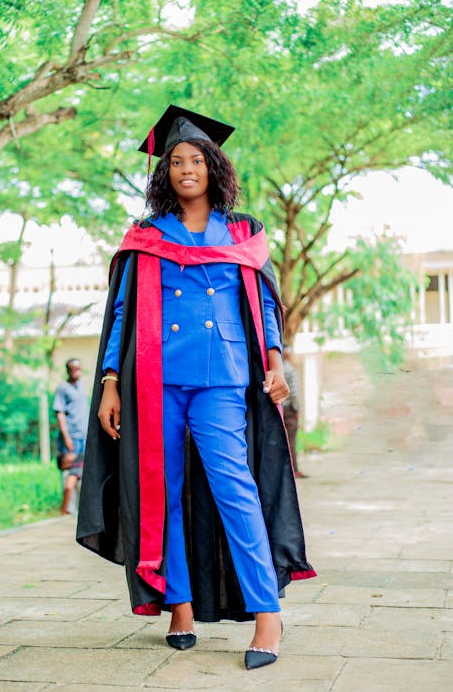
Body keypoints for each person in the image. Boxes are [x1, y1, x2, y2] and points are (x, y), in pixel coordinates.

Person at [77, 105, 316, 671]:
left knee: (235, 490)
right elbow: (122, 316)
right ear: (166, 173)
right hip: (155, 379)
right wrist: (111, 382)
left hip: (223, 377)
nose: (187, 169)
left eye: (197, 160)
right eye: (177, 161)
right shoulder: (146, 236)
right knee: (166, 495)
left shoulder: (243, 231)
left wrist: (276, 365)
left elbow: (263, 306)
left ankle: (267, 613)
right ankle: (179, 606)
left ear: (213, 167)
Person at [53, 359, 89, 456]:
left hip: (84, 436)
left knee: (83, 468)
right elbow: (60, 414)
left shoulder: (81, 387)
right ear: (68, 371)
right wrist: (66, 438)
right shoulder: (63, 388)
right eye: (74, 369)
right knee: (71, 469)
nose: (77, 372)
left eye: (79, 369)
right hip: (72, 437)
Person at [282, 345, 307, 478]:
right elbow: (294, 393)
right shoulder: (289, 370)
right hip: (289, 410)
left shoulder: (274, 367)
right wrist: (297, 409)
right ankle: (293, 470)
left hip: (278, 409)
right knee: (291, 441)